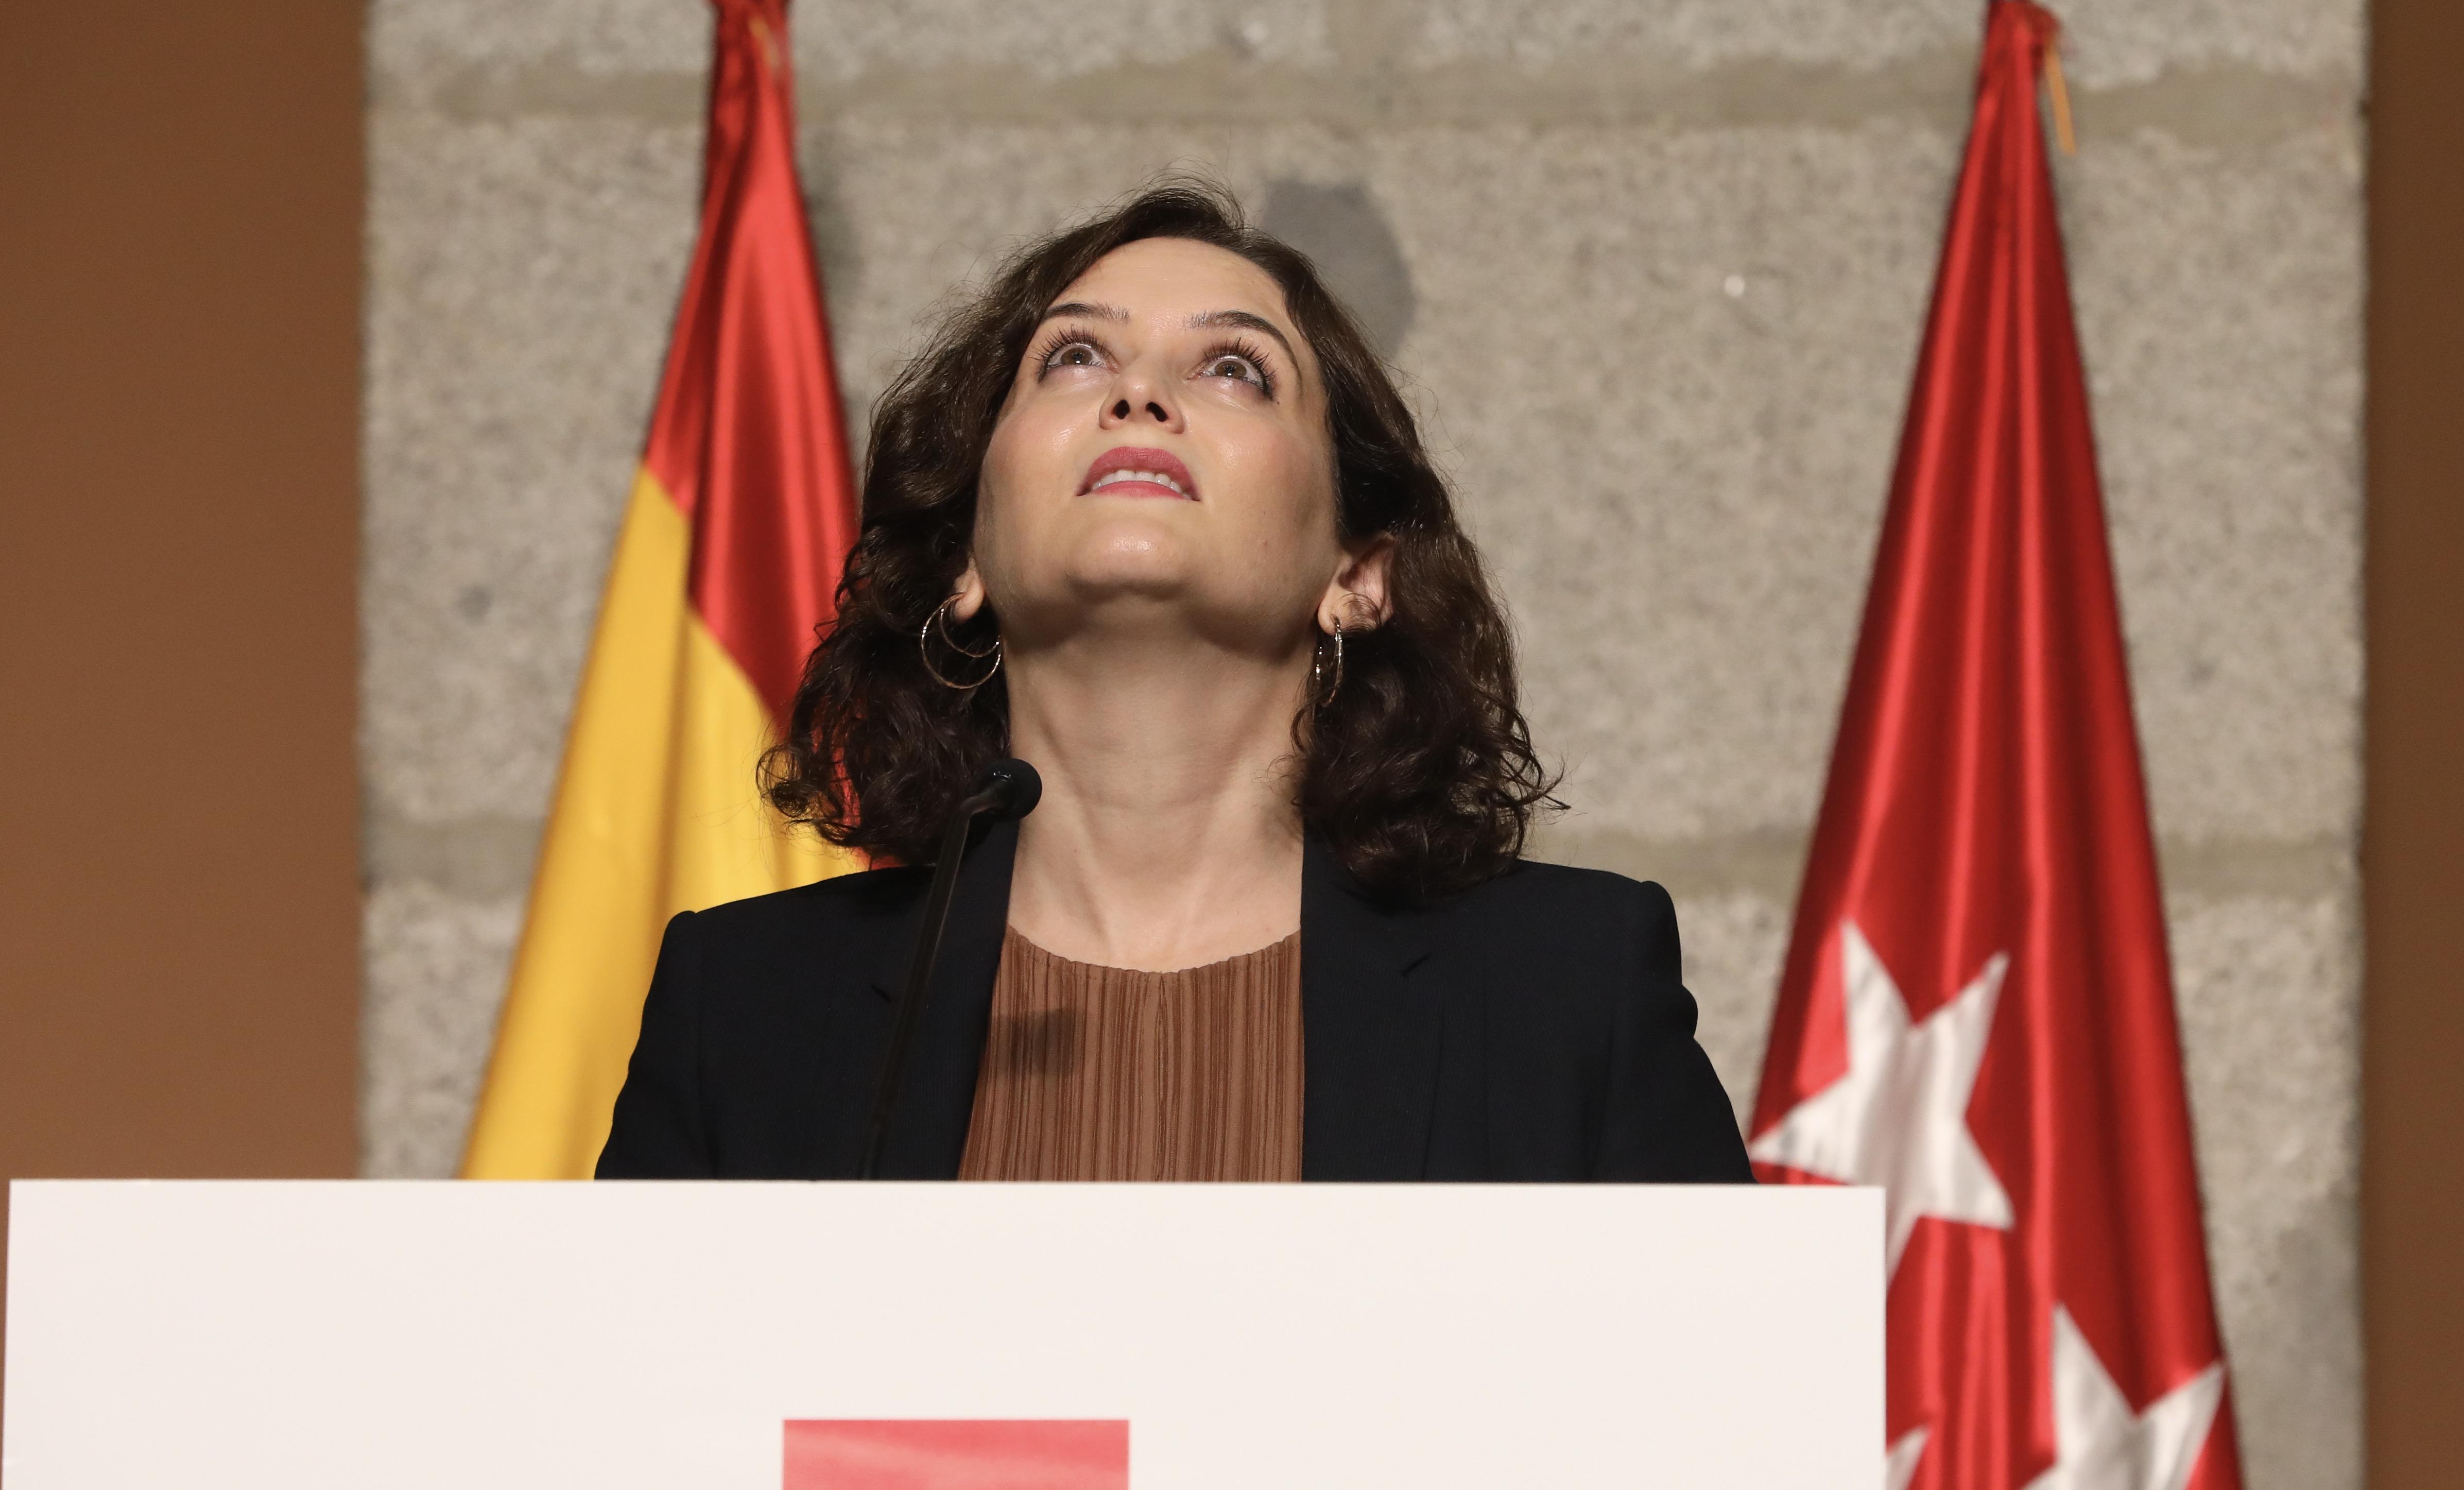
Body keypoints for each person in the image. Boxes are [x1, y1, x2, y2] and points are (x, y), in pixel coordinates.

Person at [596, 180, 1750, 1184]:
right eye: (1075, 357)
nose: (1138, 394)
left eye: (1236, 368)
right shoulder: (744, 1006)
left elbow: (1720, 1428)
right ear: (965, 562)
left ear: (1357, 571)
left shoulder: (1568, 992)